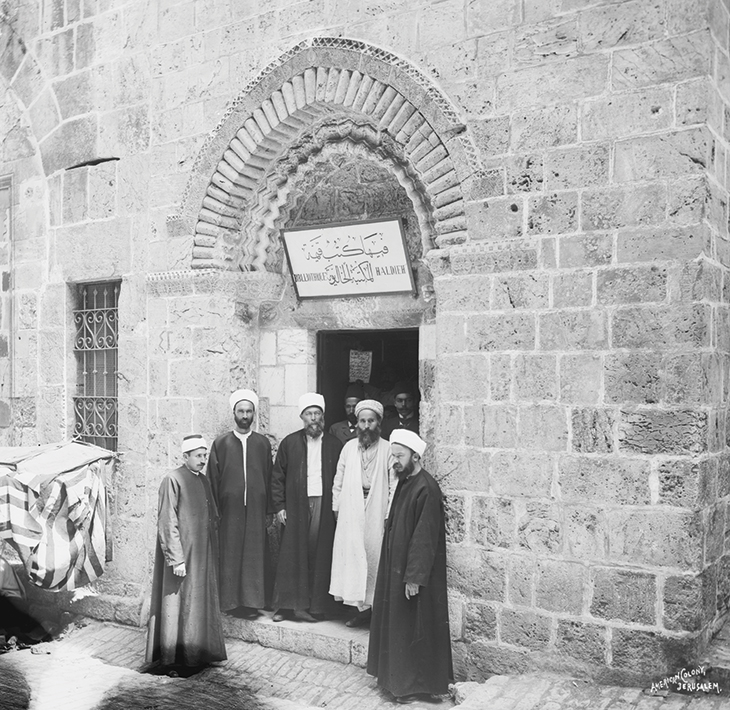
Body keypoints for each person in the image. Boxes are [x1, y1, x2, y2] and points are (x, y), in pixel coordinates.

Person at [367, 430, 452, 705]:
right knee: (398, 626)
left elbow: (424, 538)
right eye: (393, 455)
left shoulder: (426, 488)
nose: (395, 461)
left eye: (400, 456)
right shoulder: (405, 481)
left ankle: (412, 687)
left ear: (415, 456)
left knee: (412, 629)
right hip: (396, 569)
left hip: (412, 574)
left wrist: (414, 577)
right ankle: (394, 681)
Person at [146, 435, 226, 674]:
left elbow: (212, 515)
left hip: (201, 555)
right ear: (185, 457)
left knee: (197, 604)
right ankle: (173, 660)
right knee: (177, 604)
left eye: (205, 456)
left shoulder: (203, 480)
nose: (203, 460)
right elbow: (167, 520)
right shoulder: (172, 479)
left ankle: (197, 655)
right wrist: (176, 557)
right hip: (181, 557)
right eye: (198, 456)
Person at [270, 393, 343, 622]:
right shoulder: (290, 443)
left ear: (323, 416)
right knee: (292, 552)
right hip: (295, 504)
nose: (314, 419)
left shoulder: (333, 443)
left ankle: (316, 606)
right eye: (309, 414)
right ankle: (286, 606)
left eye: (317, 414)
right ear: (302, 417)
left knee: (318, 552)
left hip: (323, 501)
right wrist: (280, 506)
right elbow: (277, 477)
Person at [207, 389, 272, 619]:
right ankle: (231, 603)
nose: (245, 415)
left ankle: (252, 603)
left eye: (249, 411)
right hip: (229, 510)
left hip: (255, 507)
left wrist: (269, 510)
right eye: (241, 411)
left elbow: (269, 475)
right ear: (234, 413)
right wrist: (215, 511)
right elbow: (212, 479)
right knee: (231, 553)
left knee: (254, 554)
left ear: (254, 413)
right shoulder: (221, 443)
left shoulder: (262, 443)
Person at [330, 399, 394, 628]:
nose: (366, 426)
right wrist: (337, 508)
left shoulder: (388, 449)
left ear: (379, 423)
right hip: (351, 509)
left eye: (371, 421)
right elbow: (338, 480)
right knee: (355, 558)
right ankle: (362, 610)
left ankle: (378, 611)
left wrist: (389, 514)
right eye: (362, 421)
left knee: (375, 558)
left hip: (377, 511)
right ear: (357, 423)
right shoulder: (348, 448)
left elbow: (394, 485)